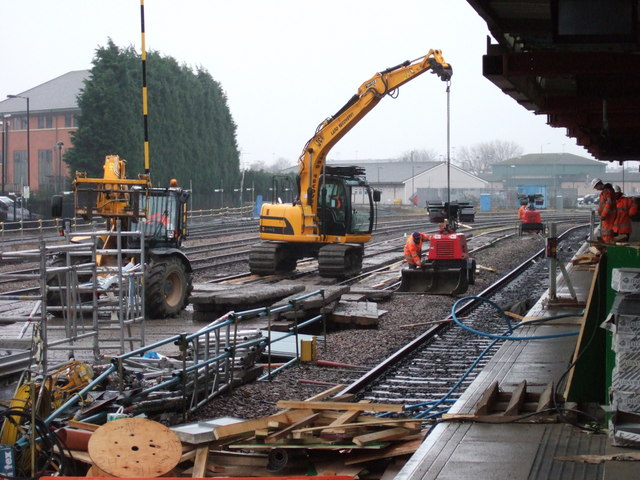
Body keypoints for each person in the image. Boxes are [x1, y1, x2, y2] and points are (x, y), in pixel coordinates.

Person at [591, 177, 616, 243]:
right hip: (607, 216)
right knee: (605, 232)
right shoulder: (605, 192)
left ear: (598, 184)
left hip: (608, 216)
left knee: (607, 233)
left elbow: (608, 204)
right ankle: (607, 246)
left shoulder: (607, 191)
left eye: (596, 187)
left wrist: (603, 214)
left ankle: (608, 247)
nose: (596, 189)